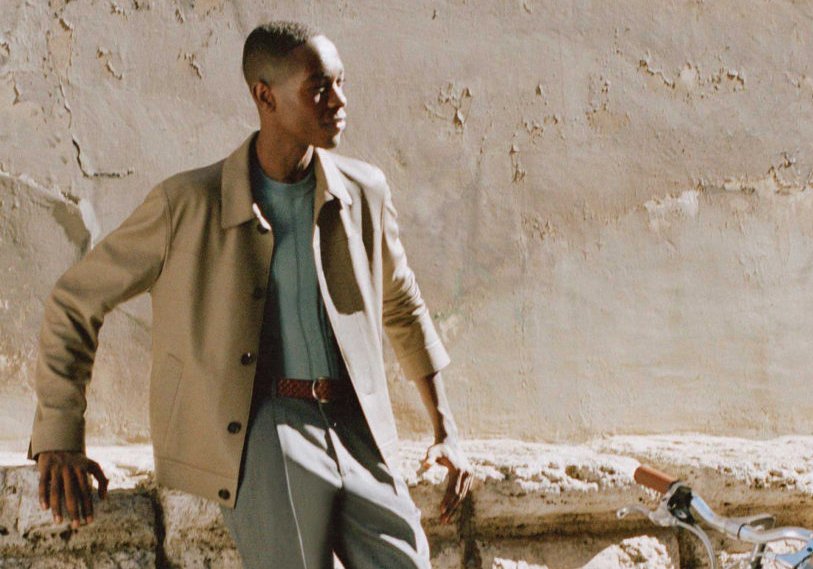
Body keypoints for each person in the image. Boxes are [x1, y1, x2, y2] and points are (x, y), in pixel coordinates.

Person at [26, 19, 473, 568]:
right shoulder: (188, 204)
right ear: (265, 97)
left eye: (340, 83)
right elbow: (75, 300)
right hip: (264, 432)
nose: (339, 101)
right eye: (319, 89)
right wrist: (59, 435)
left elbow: (401, 305)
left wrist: (447, 431)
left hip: (357, 428)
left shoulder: (364, 191)